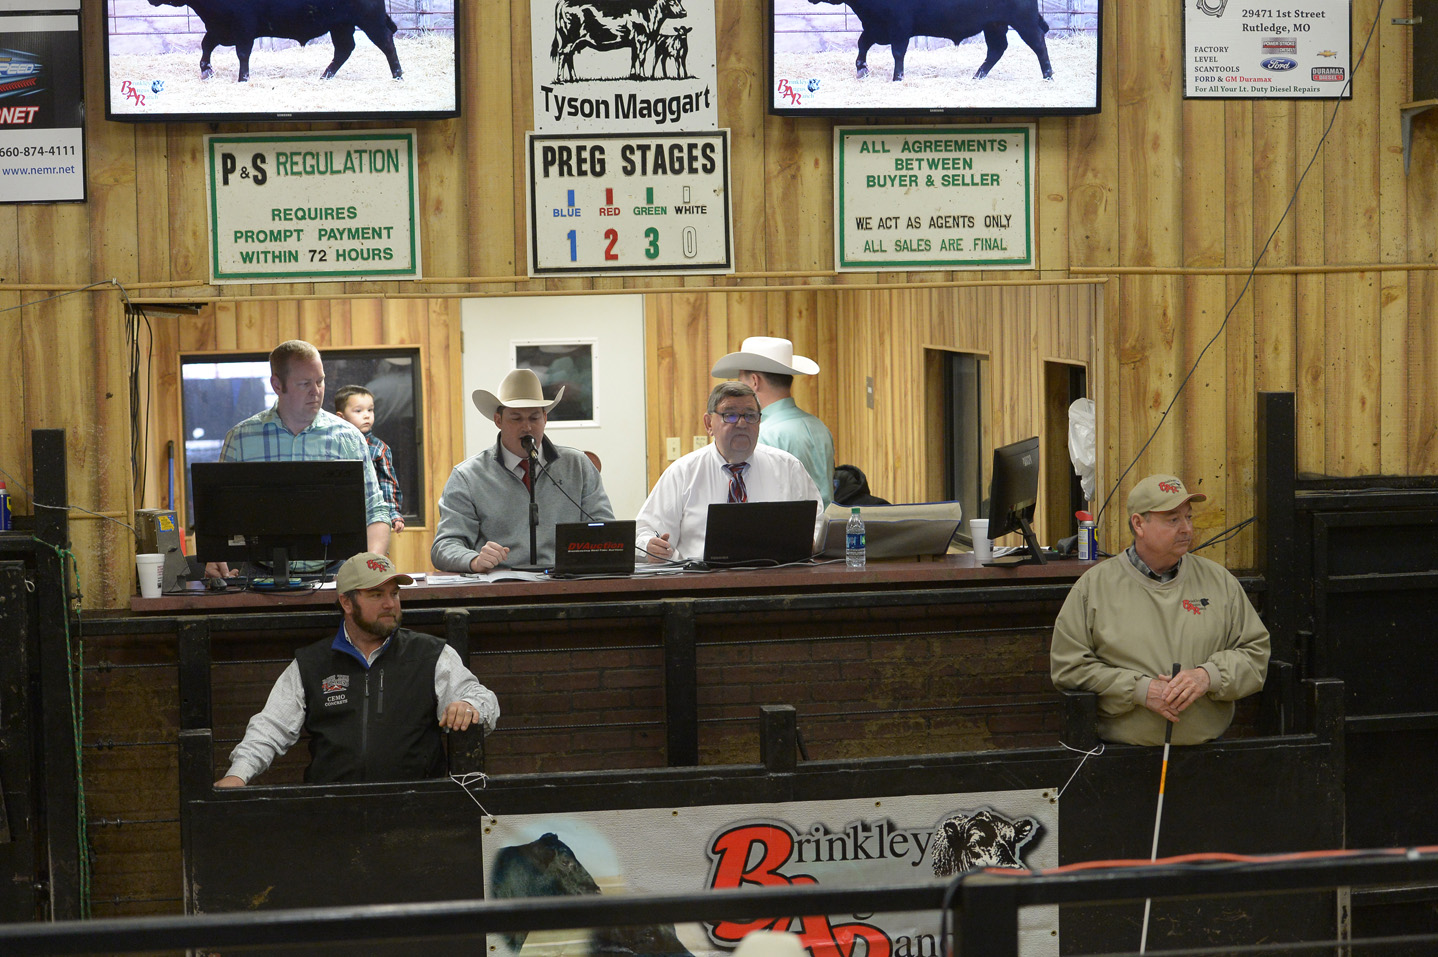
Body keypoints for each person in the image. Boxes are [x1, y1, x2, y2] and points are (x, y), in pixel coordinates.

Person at [215, 552, 499, 786]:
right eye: (376, 595)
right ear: (346, 602)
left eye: (394, 593)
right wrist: (238, 774)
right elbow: (270, 726)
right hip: (332, 811)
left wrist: (468, 704)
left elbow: (484, 700)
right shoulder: (312, 662)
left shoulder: (430, 654)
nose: (390, 604)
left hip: (417, 807)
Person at [1050, 474, 1270, 746]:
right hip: (1122, 757)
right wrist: (1139, 690)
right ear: (1139, 524)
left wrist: (1208, 676)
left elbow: (1256, 655)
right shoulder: (1094, 588)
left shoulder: (1220, 582)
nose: (1186, 529)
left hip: (1209, 755)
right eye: (1173, 520)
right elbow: (1069, 668)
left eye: (1188, 517)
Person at [206, 340, 390, 578]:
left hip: (334, 573)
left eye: (320, 381)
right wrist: (214, 556)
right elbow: (217, 512)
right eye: (304, 384)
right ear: (277, 385)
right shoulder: (241, 438)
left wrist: (371, 564)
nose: (316, 391)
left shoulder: (349, 438)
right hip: (260, 574)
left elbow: (375, 510)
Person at [431, 369, 613, 572]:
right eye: (516, 419)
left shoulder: (577, 465)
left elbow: (606, 531)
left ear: (545, 418)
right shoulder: (468, 476)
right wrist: (474, 560)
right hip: (499, 589)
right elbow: (444, 546)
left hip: (566, 583)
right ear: (498, 421)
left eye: (534, 418)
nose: (526, 427)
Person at [636, 381, 823, 563]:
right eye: (730, 415)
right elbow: (644, 530)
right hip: (700, 583)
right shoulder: (683, 473)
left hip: (776, 578)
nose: (742, 423)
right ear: (709, 423)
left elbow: (818, 524)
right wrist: (650, 545)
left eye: (750, 415)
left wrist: (811, 541)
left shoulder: (788, 468)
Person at [711, 336, 836, 506]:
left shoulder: (759, 434)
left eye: (741, 381)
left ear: (754, 381)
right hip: (823, 529)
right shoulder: (819, 427)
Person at [335, 384, 405, 533]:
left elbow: (387, 483)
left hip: (372, 515)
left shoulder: (379, 448)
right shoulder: (333, 445)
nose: (366, 415)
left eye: (370, 410)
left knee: (372, 555)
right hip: (341, 513)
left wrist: (393, 513)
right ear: (341, 417)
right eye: (358, 411)